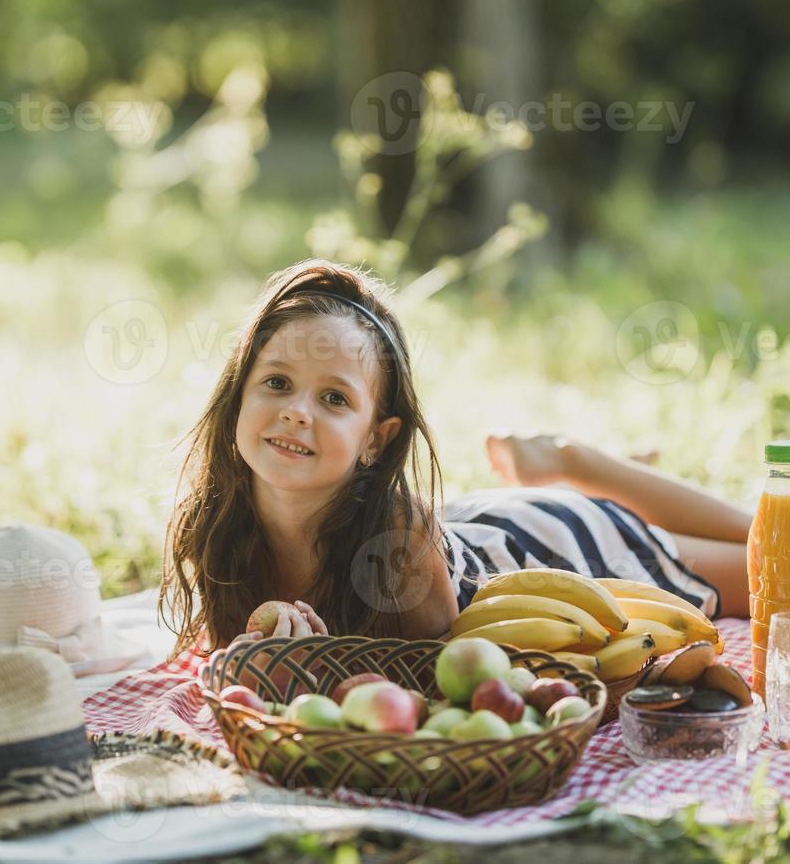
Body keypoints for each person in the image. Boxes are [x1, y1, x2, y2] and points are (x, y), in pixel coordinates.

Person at [158, 258, 752, 662]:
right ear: (239, 393)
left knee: (779, 558)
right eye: (277, 383)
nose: (296, 413)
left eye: (334, 398)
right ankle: (565, 467)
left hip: (549, 547)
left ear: (376, 439)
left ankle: (579, 461)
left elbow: (445, 678)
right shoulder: (218, 527)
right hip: (473, 523)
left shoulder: (398, 546)